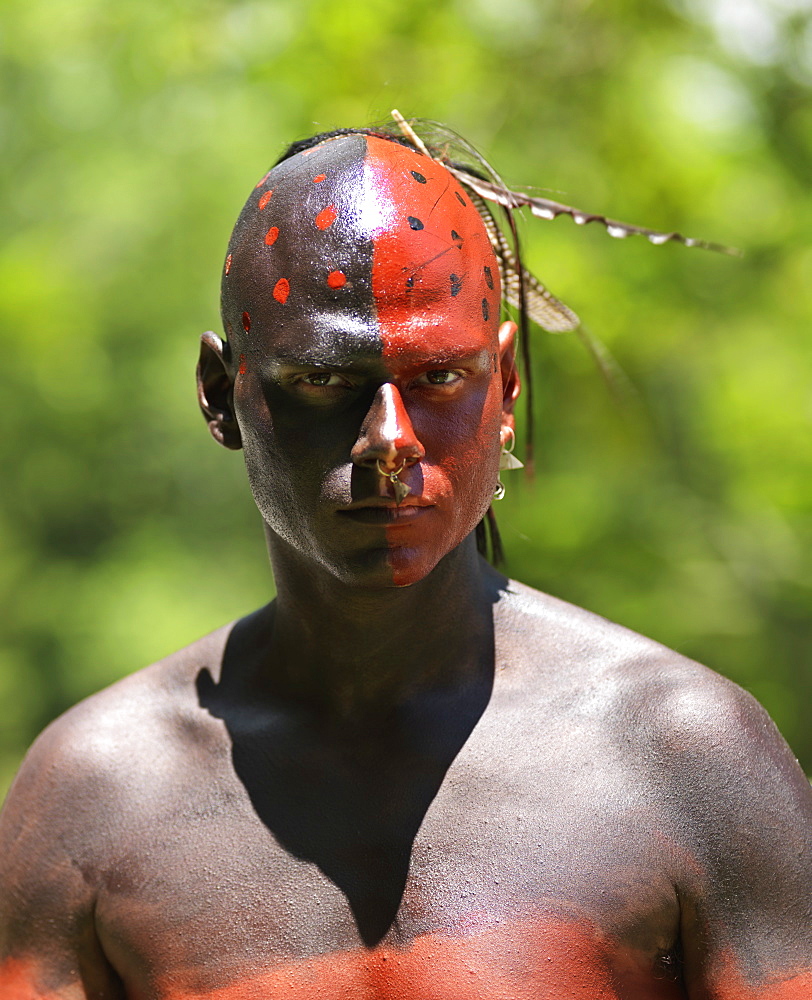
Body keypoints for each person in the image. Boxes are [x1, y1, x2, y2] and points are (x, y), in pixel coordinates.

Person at [0, 120, 809, 1000]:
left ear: (505, 385)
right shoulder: (96, 798)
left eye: (440, 379)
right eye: (324, 381)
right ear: (220, 394)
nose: (389, 441)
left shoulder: (683, 758)